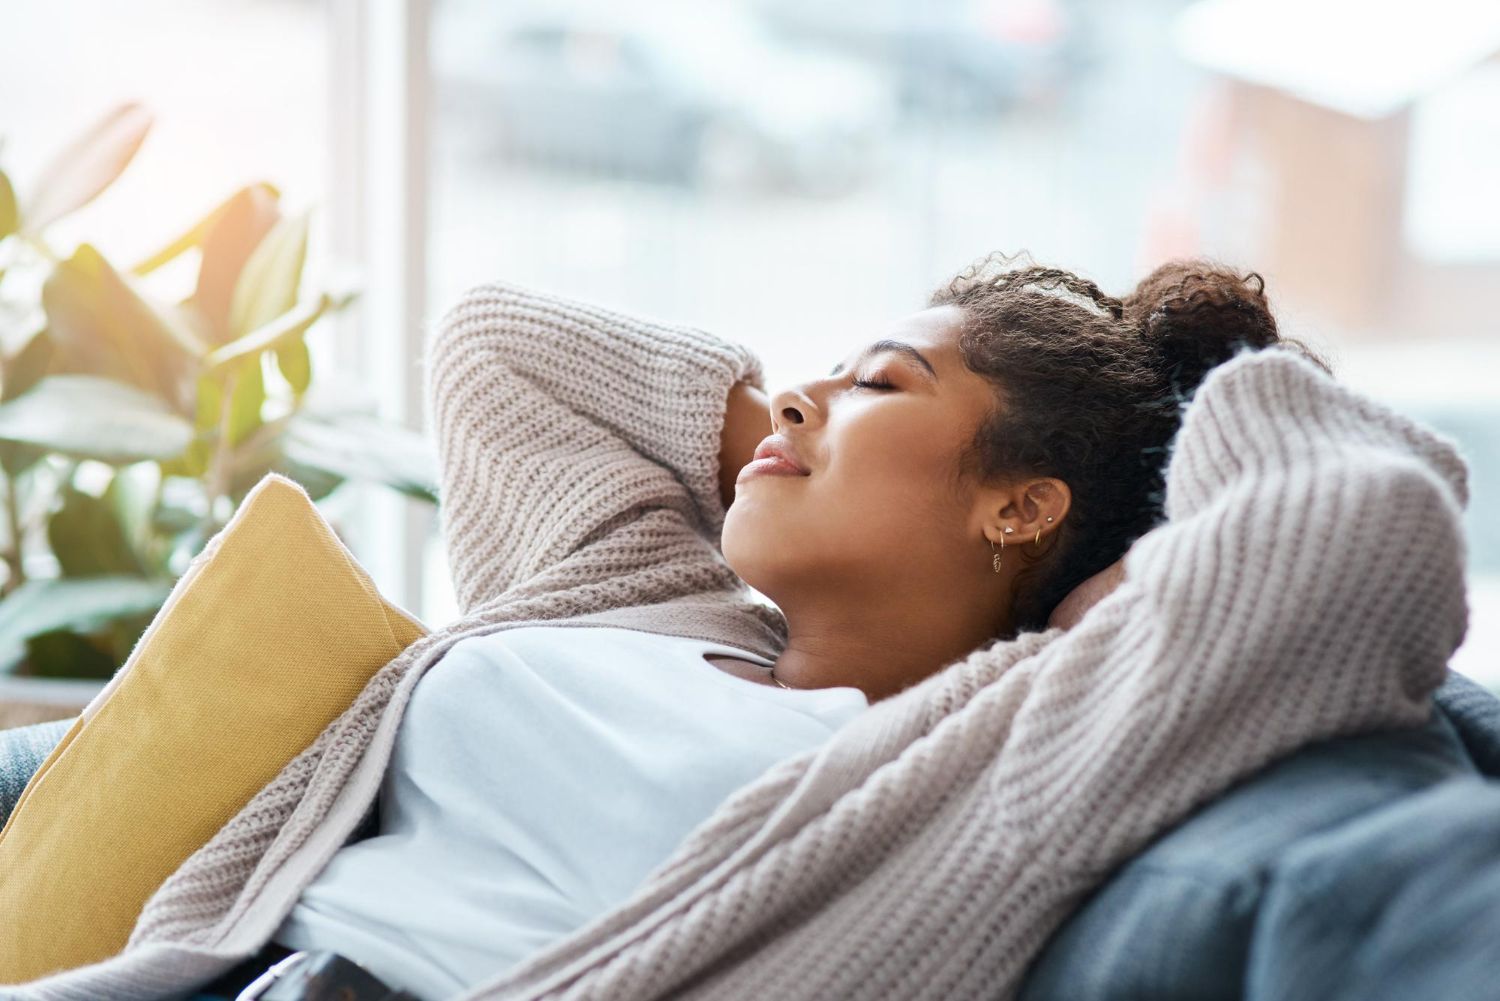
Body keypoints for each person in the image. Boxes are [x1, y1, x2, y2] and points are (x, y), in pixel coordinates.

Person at [18, 251, 1467, 1001]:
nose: (801, 396)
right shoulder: (633, 591)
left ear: (1020, 506)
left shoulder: (988, 751)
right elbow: (495, 348)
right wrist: (791, 437)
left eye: (881, 382)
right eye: (816, 376)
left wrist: (1118, 562)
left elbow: (1359, 535)